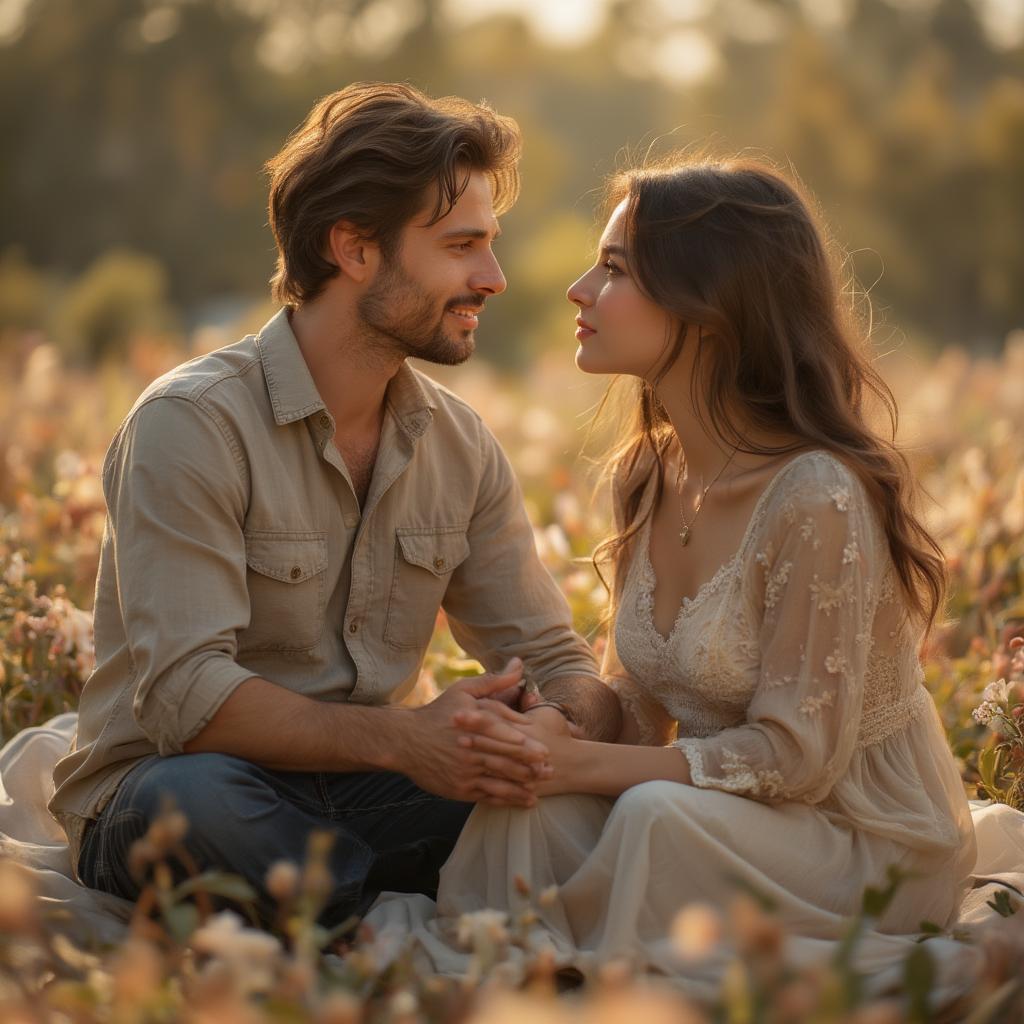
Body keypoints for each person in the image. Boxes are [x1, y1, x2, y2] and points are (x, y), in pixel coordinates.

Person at [362, 154, 980, 1002]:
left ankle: (598, 968)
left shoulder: (816, 496)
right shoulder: (649, 472)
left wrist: (577, 768)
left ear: (712, 304)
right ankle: (526, 959)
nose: (579, 290)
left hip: (854, 836)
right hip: (720, 817)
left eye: (613, 269)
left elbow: (794, 760)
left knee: (651, 816)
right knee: (526, 805)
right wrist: (551, 725)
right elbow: (641, 702)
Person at [48, 82, 621, 929]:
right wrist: (409, 741)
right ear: (354, 249)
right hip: (176, 787)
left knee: (563, 803)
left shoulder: (459, 446)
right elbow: (190, 701)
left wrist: (552, 724)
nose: (492, 278)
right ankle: (403, 912)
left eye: (490, 246)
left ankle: (336, 907)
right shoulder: (191, 424)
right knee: (196, 807)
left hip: (365, 795)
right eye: (463, 246)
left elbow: (553, 654)